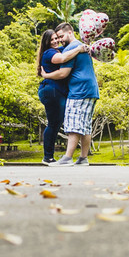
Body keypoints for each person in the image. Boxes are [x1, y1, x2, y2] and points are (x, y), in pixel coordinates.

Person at [50, 21, 98, 165]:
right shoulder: (82, 46)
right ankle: (83, 158)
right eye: (57, 38)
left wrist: (45, 75)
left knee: (73, 123)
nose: (59, 40)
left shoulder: (71, 48)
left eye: (61, 36)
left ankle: (67, 158)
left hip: (79, 90)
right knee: (85, 125)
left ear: (70, 32)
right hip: (90, 89)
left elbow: (63, 73)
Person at [36, 29, 72, 164]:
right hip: (51, 91)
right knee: (53, 124)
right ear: (47, 42)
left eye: (56, 38)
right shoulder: (49, 53)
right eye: (52, 40)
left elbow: (66, 48)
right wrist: (79, 49)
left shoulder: (58, 49)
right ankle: (47, 157)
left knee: (56, 124)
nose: (55, 41)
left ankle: (49, 156)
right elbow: (63, 58)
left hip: (53, 91)